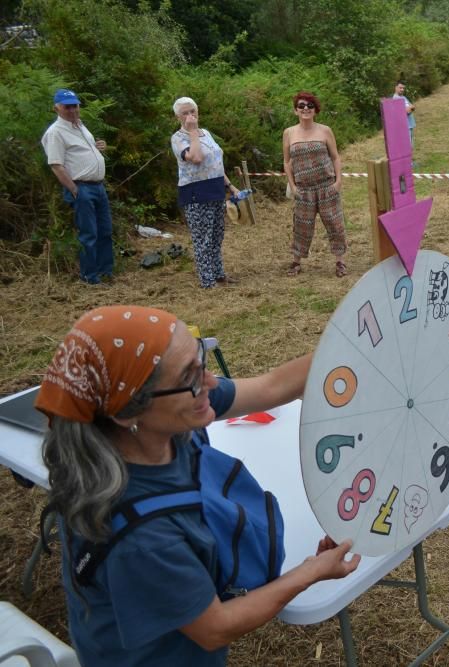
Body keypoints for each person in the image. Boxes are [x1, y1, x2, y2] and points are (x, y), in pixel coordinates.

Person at [35, 305, 361, 665]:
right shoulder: (141, 537)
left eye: (200, 358)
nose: (209, 381)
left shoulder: (167, 418)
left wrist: (354, 346)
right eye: (190, 375)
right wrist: (312, 571)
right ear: (127, 412)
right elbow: (215, 628)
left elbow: (273, 385)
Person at [40, 88, 114, 285]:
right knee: (89, 234)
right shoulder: (55, 132)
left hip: (98, 186)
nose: (72, 110)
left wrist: (98, 147)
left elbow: (80, 152)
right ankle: (90, 277)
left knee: (105, 230)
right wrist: (74, 189)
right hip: (82, 187)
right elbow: (56, 165)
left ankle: (105, 271)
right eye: (67, 107)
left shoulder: (80, 126)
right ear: (57, 108)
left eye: (75, 106)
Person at [170, 97, 241, 289]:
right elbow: (197, 158)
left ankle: (219, 274)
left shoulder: (206, 133)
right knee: (203, 238)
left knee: (217, 236)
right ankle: (207, 280)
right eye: (185, 113)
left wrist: (230, 186)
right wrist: (192, 132)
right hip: (196, 192)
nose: (190, 116)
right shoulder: (178, 138)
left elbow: (216, 163)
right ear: (178, 117)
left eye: (192, 111)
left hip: (216, 188)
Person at [282, 91, 346, 278]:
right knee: (301, 226)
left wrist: (338, 182)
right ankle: (296, 262)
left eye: (310, 106)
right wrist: (293, 186)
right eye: (301, 106)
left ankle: (340, 262)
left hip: (327, 187)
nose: (306, 109)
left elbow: (335, 157)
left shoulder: (325, 130)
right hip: (304, 190)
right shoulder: (289, 133)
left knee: (335, 225)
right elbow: (286, 162)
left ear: (315, 110)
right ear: (295, 110)